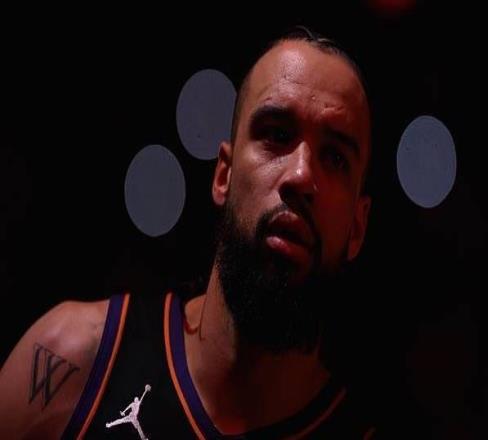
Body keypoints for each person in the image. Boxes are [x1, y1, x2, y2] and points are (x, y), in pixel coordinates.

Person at [0, 26, 375, 439]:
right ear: (223, 174)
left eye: (335, 158)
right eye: (277, 135)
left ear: (358, 227)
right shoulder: (75, 362)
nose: (301, 175)